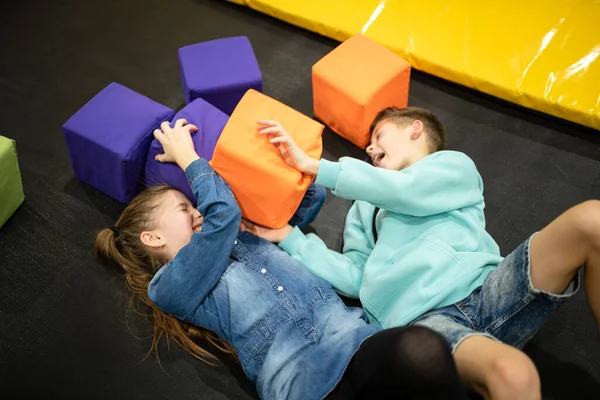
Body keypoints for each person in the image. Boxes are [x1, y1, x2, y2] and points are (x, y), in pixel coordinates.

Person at [94, 118, 468, 400]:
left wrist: (264, 168)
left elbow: (310, 199)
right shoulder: (171, 286)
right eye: (183, 207)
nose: (196, 211)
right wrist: (190, 159)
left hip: (354, 339)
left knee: (425, 348)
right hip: (302, 378)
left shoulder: (240, 233)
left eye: (193, 203)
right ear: (153, 238)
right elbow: (220, 211)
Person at [254, 109, 600, 400]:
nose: (371, 148)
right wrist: (290, 237)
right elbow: (358, 276)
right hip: (428, 322)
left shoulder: (453, 167)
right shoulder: (362, 209)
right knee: (513, 373)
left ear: (414, 129)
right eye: (369, 147)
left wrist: (316, 165)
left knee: (591, 219)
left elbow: (407, 191)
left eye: (380, 135)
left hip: (490, 290)